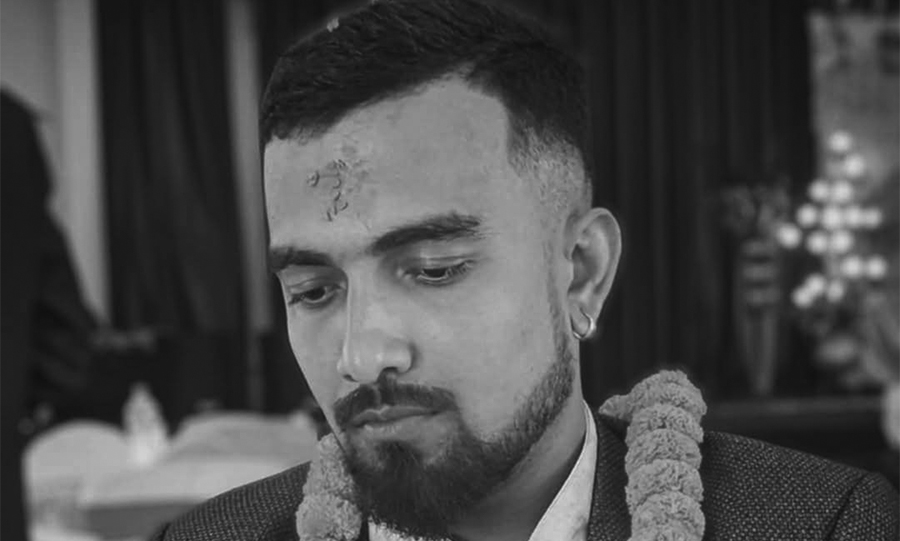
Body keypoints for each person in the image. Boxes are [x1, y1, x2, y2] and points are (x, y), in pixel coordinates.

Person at [152, 1, 898, 540]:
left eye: (435, 269)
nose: (361, 355)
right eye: (313, 290)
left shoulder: (823, 525)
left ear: (582, 271)